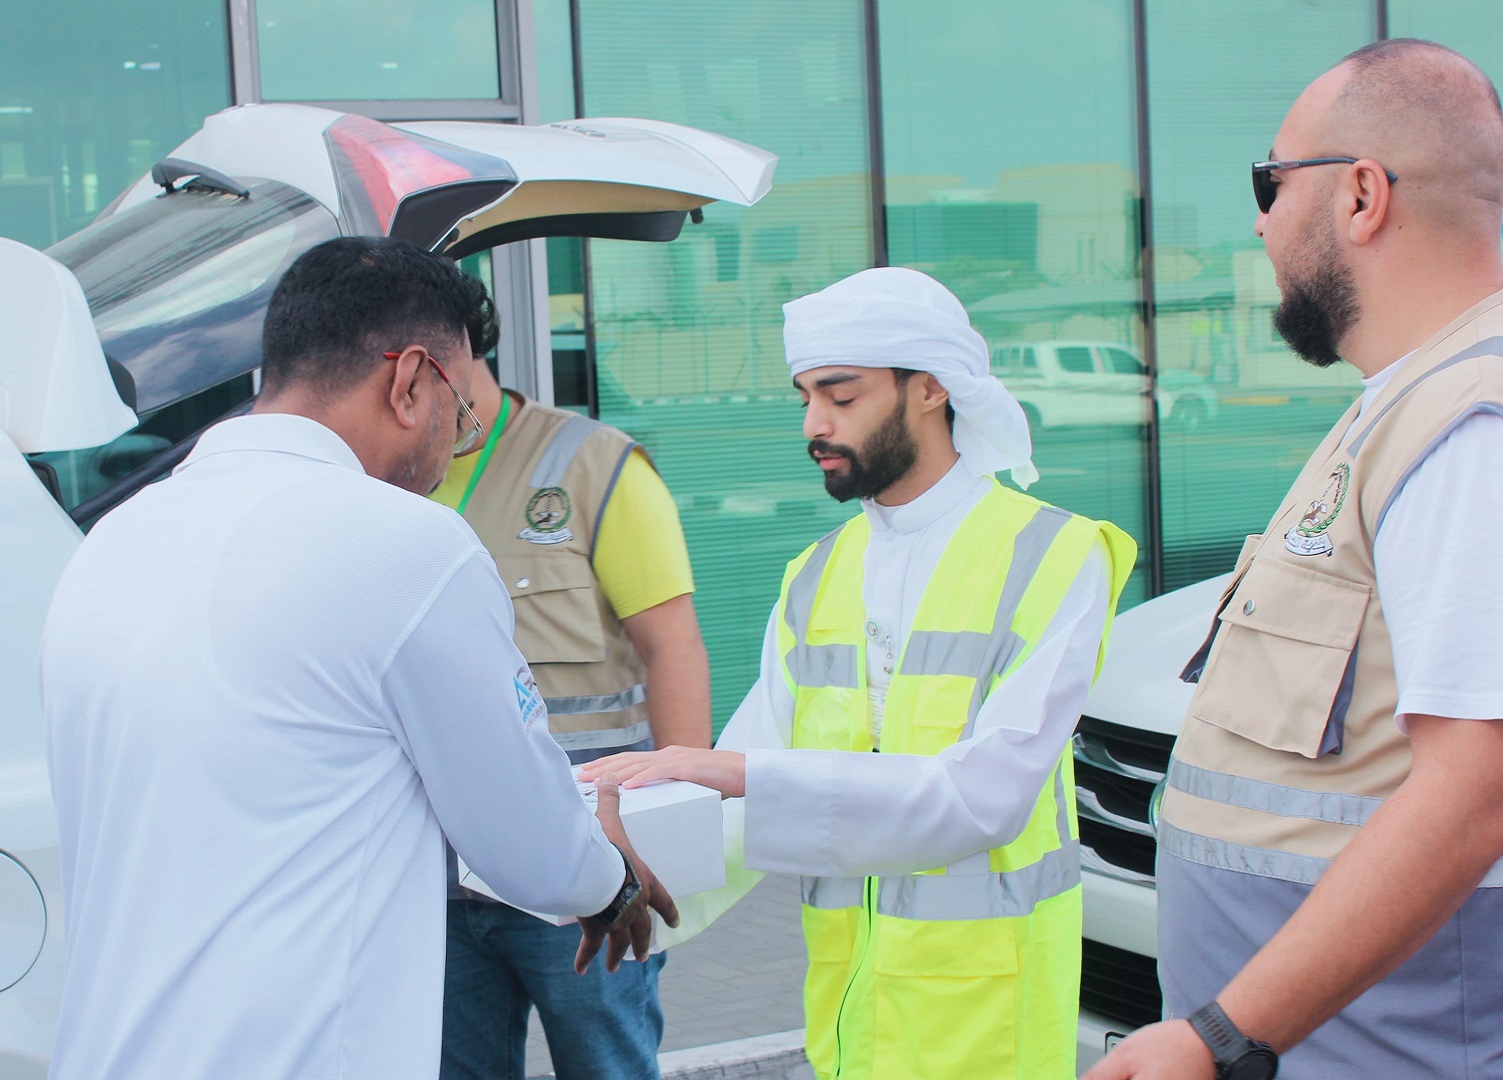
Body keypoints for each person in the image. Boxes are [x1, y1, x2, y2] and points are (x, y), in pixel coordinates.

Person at [39, 236, 677, 1080]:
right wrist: (612, 885)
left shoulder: (114, 540)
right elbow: (530, 848)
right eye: (460, 412)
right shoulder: (402, 544)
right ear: (411, 380)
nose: (455, 443)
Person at [586, 266, 1136, 1079]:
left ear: (929, 389)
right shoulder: (816, 573)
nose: (814, 423)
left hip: (991, 1028)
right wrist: (640, 892)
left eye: (842, 397)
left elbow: (984, 797)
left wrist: (733, 772)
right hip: (847, 1022)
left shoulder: (1056, 555)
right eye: (805, 396)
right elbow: (747, 798)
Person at [1087, 39, 1503, 1080]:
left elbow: (1478, 788)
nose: (1260, 222)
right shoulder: (1406, 406)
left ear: (1362, 195)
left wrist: (1223, 1037)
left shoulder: (1468, 427)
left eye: (1270, 183)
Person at [434, 281, 712, 1080]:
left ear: (456, 351)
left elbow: (673, 646)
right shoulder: (377, 478)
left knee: (607, 1067)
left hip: (587, 863)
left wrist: (674, 823)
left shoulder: (590, 464)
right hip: (438, 873)